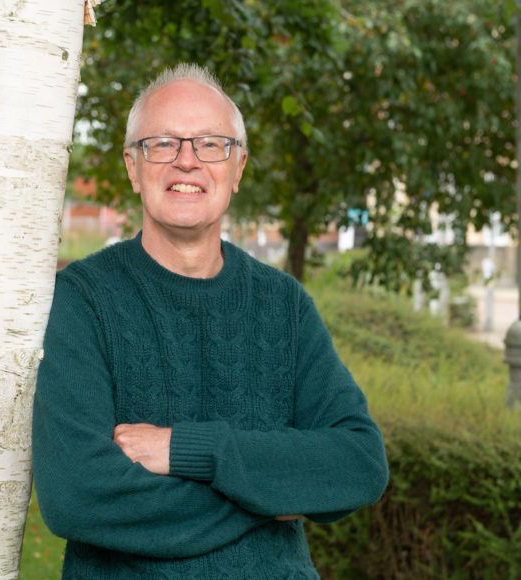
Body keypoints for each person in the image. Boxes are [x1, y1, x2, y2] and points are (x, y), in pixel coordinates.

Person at [31, 63, 389, 579]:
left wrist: (190, 450)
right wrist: (267, 495)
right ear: (133, 167)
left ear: (238, 168)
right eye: (161, 144)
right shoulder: (83, 300)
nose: (186, 162)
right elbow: (77, 496)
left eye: (210, 145)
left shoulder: (283, 305)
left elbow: (358, 462)